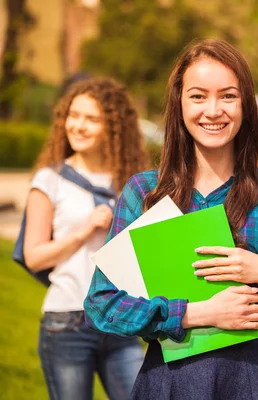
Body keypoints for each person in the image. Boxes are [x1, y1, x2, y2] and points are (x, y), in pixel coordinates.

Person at [83, 39, 258, 400]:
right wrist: (195, 313)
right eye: (198, 96)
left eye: (228, 96)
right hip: (167, 381)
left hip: (248, 382)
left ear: (246, 105)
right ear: (180, 103)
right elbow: (101, 304)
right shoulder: (145, 192)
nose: (213, 110)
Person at [23, 77, 148, 400]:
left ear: (114, 126)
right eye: (73, 116)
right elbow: (34, 256)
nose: (77, 126)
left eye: (91, 119)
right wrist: (84, 230)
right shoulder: (50, 180)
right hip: (67, 322)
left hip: (120, 319)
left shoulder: (130, 185)